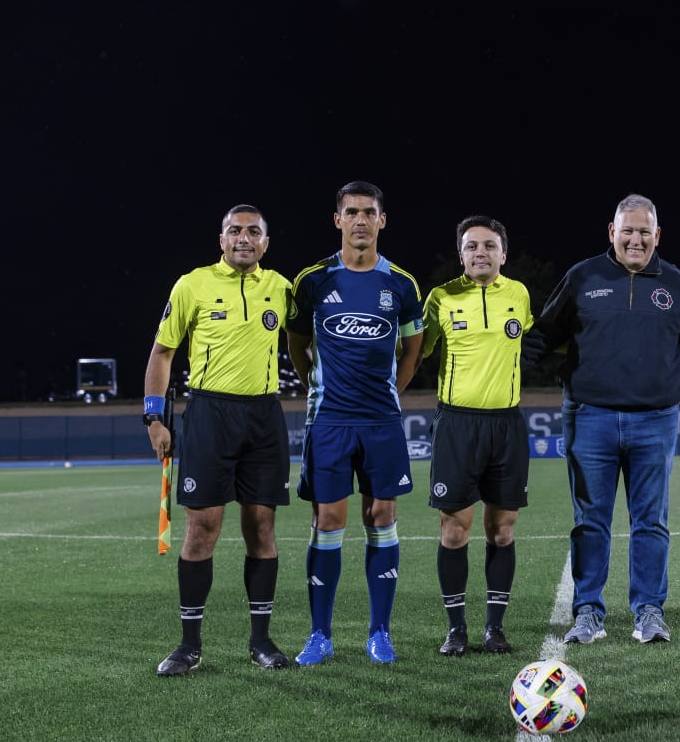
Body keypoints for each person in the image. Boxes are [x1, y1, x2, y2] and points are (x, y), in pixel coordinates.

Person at [533, 193, 680, 645]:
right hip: (591, 418)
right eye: (627, 230)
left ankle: (649, 610)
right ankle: (588, 610)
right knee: (590, 520)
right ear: (612, 232)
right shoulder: (583, 277)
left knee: (651, 520)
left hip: (656, 419)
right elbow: (543, 336)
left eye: (644, 231)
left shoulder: (676, 283)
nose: (635, 239)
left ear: (657, 236)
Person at [144, 204, 293, 675]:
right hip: (209, 414)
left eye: (253, 231)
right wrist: (154, 418)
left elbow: (306, 343)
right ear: (221, 239)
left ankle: (261, 641)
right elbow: (162, 352)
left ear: (266, 242)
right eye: (235, 231)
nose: (244, 238)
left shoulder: (282, 289)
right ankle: (189, 645)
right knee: (201, 529)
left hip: (265, 416)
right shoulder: (192, 284)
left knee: (261, 528)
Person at [286, 180, 424, 665]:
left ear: (382, 221)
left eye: (369, 212)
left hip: (382, 421)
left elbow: (413, 349)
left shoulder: (402, 285)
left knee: (382, 517)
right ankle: (319, 635)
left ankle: (379, 633)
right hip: (330, 420)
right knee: (328, 520)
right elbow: (296, 343)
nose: (361, 220)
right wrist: (316, 386)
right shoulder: (313, 280)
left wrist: (392, 393)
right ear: (338, 220)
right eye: (352, 212)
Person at [420, 216, 533, 656]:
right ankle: (456, 629)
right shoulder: (441, 298)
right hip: (457, 425)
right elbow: (417, 349)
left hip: (506, 424)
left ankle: (495, 628)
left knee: (502, 530)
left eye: (489, 246)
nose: (480, 253)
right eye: (471, 246)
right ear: (461, 254)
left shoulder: (519, 294)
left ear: (503, 253)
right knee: (454, 531)